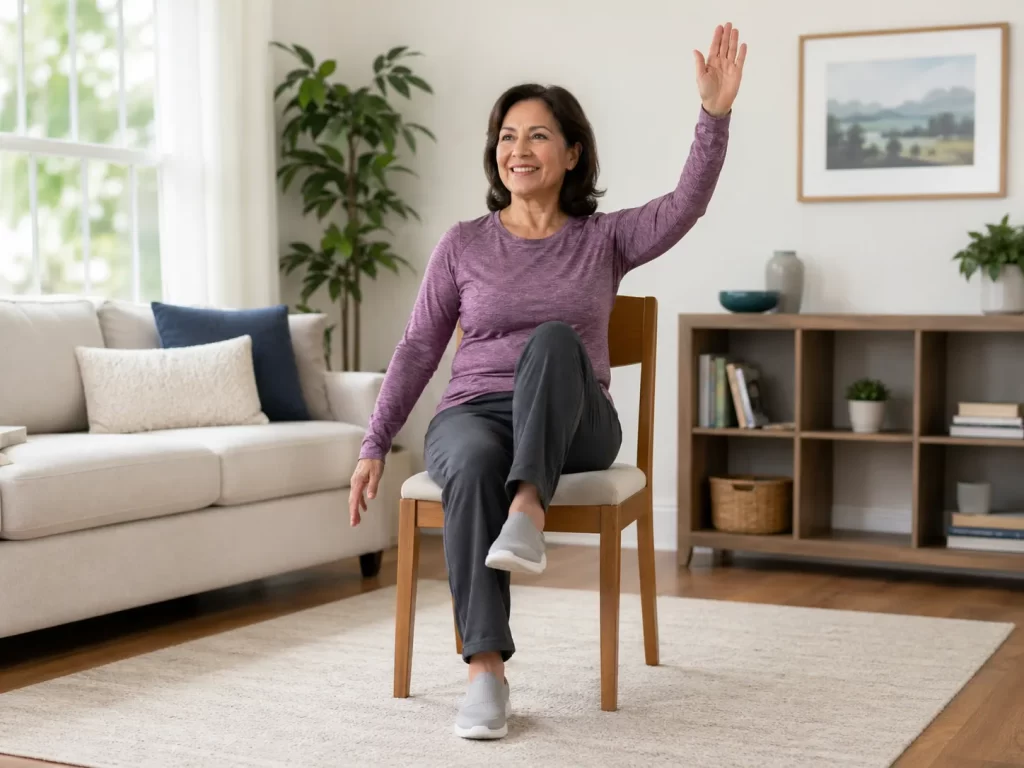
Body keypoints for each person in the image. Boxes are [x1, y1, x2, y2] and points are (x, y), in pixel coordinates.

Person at [349, 22, 746, 739]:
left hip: (576, 426)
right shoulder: (464, 244)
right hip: (475, 414)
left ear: (572, 153)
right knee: (469, 463)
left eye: (536, 136)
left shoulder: (604, 239)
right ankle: (485, 677)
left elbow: (686, 203)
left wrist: (712, 116)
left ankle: (527, 508)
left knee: (555, 340)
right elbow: (416, 348)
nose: (518, 149)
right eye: (507, 136)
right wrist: (374, 442)